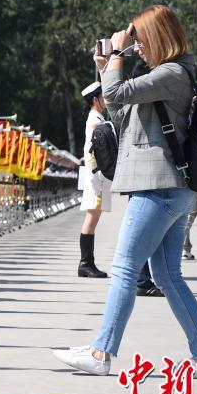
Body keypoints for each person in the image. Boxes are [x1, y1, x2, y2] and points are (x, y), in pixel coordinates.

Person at [53, 5, 197, 375]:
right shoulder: (169, 75)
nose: (137, 47)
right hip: (171, 189)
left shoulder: (172, 73)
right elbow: (119, 111)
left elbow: (117, 91)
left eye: (140, 40)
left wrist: (115, 55)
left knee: (125, 268)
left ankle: (101, 355)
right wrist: (105, 64)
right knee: (168, 276)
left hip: (157, 187)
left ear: (158, 37)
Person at [76, 81, 109, 278]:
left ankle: (87, 263)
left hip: (94, 173)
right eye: (103, 96)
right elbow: (98, 151)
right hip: (95, 174)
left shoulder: (96, 117)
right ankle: (85, 263)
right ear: (96, 100)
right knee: (92, 217)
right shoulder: (95, 120)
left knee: (93, 216)